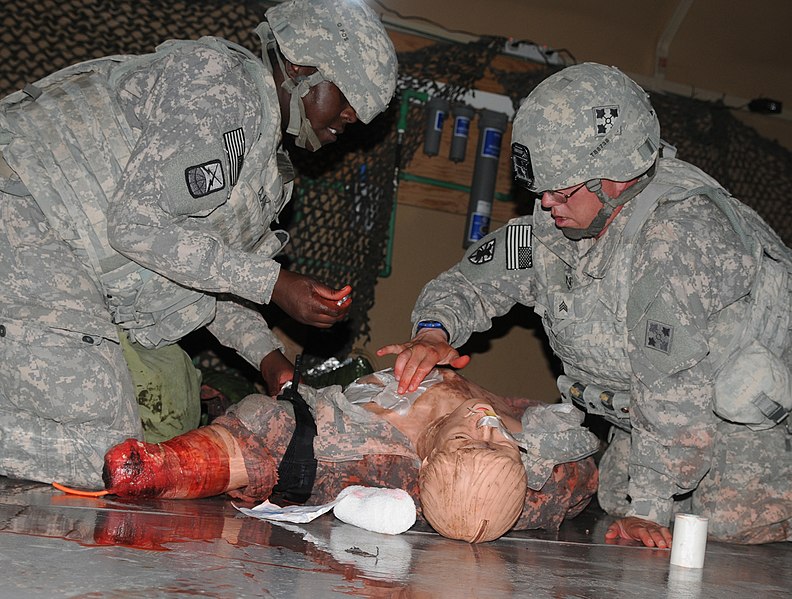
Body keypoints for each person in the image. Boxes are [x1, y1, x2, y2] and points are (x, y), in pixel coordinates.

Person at [378, 63, 792, 547]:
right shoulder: (558, 223)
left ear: (615, 178)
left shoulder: (677, 237)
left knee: (726, 522)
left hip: (736, 416)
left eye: (561, 190)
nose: (546, 203)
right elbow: (470, 283)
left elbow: (673, 391)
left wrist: (652, 511)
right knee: (615, 498)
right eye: (541, 189)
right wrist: (433, 333)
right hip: (650, 413)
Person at [0, 0, 397, 488]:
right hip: (24, 217)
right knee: (106, 450)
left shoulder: (267, 170)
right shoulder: (220, 88)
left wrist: (269, 359)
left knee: (117, 444)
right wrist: (274, 283)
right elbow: (137, 227)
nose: (352, 118)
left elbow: (198, 273)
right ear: (300, 65)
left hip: (52, 249)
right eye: (348, 96)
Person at [100, 367, 600, 543]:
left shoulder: (362, 447)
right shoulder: (532, 476)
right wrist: (517, 432)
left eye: (469, 440)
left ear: (424, 467)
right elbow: (576, 466)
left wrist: (167, 464)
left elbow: (265, 441)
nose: (485, 424)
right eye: (500, 445)